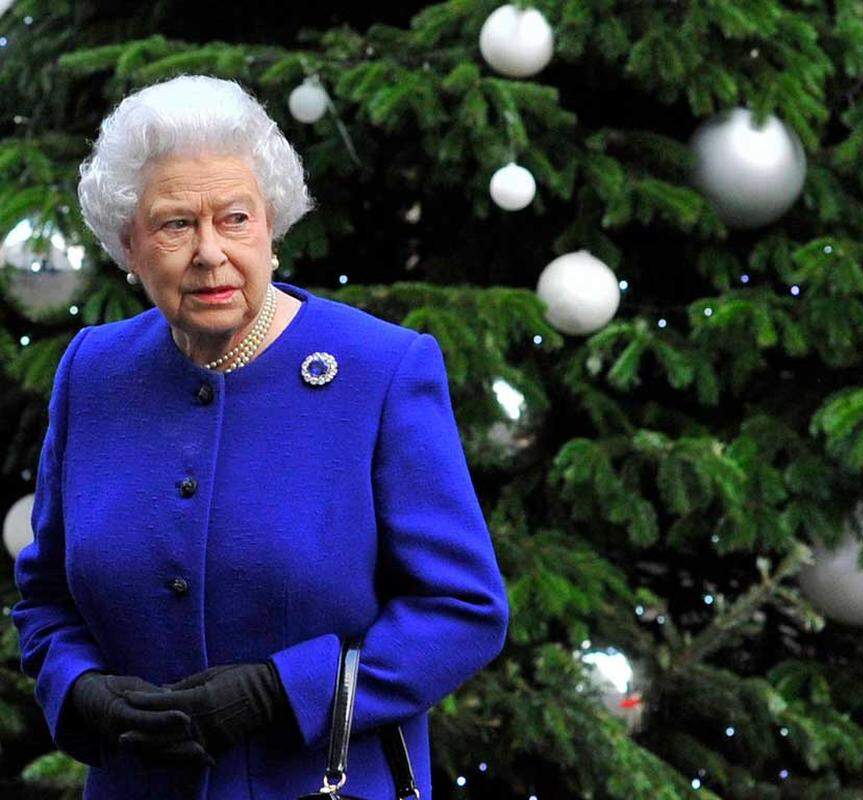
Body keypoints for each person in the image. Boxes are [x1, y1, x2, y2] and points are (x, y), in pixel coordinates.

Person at [10, 73, 509, 800]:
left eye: (235, 218)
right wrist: (80, 689)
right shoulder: (94, 371)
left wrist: (283, 692)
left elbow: (463, 611)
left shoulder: (380, 369)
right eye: (176, 224)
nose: (210, 252)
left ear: (272, 224)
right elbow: (46, 595)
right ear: (128, 245)